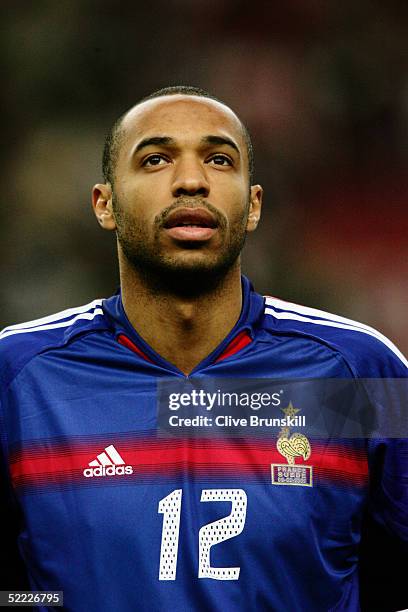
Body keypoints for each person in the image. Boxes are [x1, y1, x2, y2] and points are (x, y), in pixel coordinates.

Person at [0, 85, 407, 612]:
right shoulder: (19, 377)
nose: (191, 181)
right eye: (154, 159)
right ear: (105, 203)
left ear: (254, 204)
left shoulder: (359, 371)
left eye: (218, 159)